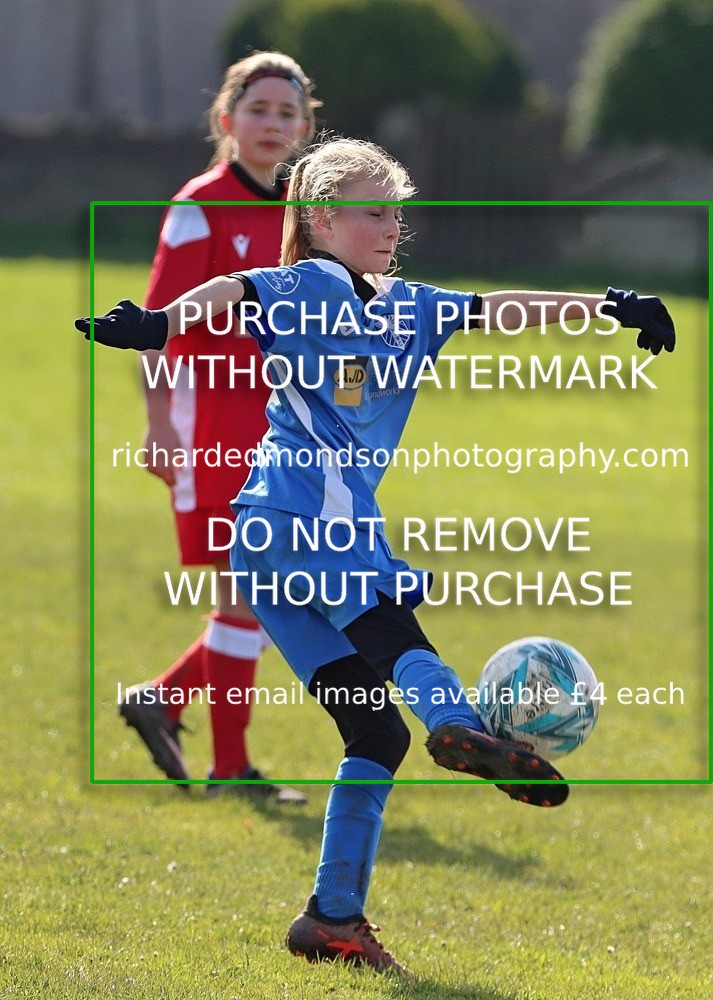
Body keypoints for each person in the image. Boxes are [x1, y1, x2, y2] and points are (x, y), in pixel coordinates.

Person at [77, 138, 676, 973]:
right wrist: (158, 324)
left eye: (397, 210)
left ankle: (332, 920)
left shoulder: (407, 301)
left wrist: (606, 306)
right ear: (320, 217)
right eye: (372, 211)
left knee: (371, 733)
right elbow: (236, 289)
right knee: (395, 635)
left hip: (268, 545)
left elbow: (499, 308)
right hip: (309, 519)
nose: (391, 225)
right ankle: (463, 729)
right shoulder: (309, 282)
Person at [118, 51, 321, 802]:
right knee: (251, 593)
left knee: (270, 593)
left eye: (286, 113)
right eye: (258, 109)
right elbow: (154, 327)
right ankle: (230, 768)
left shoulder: (304, 211)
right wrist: (157, 427)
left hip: (283, 430)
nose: (272, 124)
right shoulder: (198, 204)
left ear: (305, 126)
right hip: (210, 425)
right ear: (225, 117)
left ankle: (164, 701)